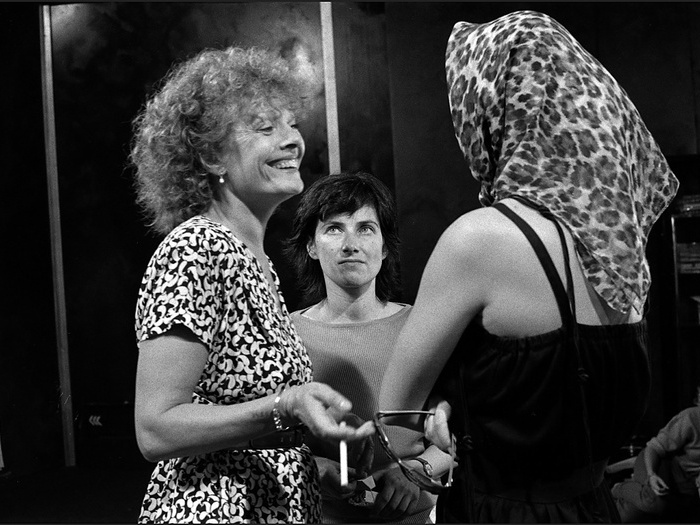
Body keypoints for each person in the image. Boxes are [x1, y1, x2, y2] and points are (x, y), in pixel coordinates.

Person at [378, 10, 679, 523]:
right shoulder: (622, 253)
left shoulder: (479, 241)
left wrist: (444, 417)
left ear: (494, 111)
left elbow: (396, 419)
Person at [130, 46, 374, 524]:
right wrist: (287, 406)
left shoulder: (255, 261)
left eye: (292, 124)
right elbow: (156, 428)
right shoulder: (196, 249)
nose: (292, 142)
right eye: (266, 128)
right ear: (210, 155)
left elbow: (232, 423)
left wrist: (311, 452)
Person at [286, 171, 455, 523]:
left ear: (385, 244)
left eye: (366, 228)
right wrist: (313, 466)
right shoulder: (286, 333)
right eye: (334, 228)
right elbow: (266, 437)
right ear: (311, 246)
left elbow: (462, 435)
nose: (351, 243)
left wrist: (418, 469)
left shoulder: (420, 325)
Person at [612, 387, 700, 522]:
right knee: (654, 505)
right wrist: (651, 475)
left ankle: (633, 472)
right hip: (657, 465)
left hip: (684, 487)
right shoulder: (690, 417)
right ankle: (618, 488)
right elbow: (653, 448)